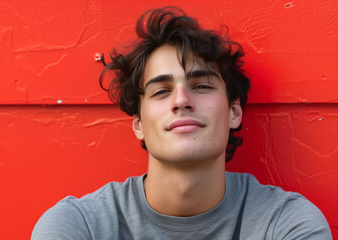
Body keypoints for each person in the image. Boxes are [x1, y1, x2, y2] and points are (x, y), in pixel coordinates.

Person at [31, 6, 332, 239]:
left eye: (201, 86)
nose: (181, 100)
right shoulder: (79, 226)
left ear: (234, 112)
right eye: (161, 91)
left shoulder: (286, 224)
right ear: (138, 123)